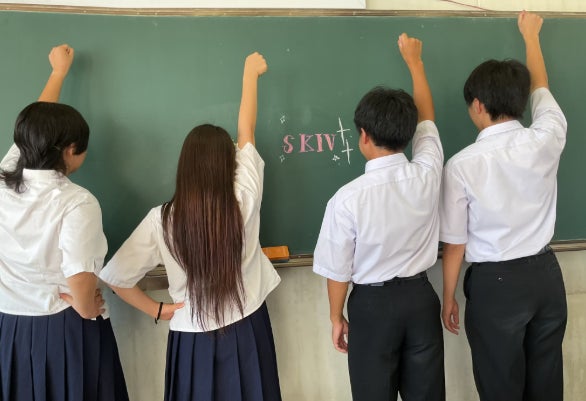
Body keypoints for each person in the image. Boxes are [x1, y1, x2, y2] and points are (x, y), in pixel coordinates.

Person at [98, 52, 282, 401]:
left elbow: (116, 278)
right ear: (228, 164)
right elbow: (246, 131)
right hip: (248, 325)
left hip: (191, 338)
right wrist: (250, 75)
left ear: (185, 167)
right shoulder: (245, 196)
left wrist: (159, 310)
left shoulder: (162, 219)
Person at [440, 11, 567, 401]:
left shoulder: (461, 165)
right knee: (547, 383)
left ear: (478, 105)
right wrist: (531, 37)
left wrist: (448, 296)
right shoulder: (546, 136)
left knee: (500, 386)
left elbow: (456, 243)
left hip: (496, 285)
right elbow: (541, 89)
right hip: (546, 276)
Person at [313, 34, 445, 401]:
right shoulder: (428, 172)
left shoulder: (346, 199)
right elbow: (428, 120)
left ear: (364, 136)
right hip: (421, 299)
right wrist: (415, 63)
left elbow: (338, 271)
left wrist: (336, 317)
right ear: (409, 133)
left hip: (372, 308)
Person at [0, 45, 129, 401]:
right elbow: (82, 285)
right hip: (63, 327)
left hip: (10, 323)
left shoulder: (5, 177)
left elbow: (34, 130)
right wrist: (87, 307)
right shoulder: (77, 203)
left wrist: (58, 73)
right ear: (71, 150)